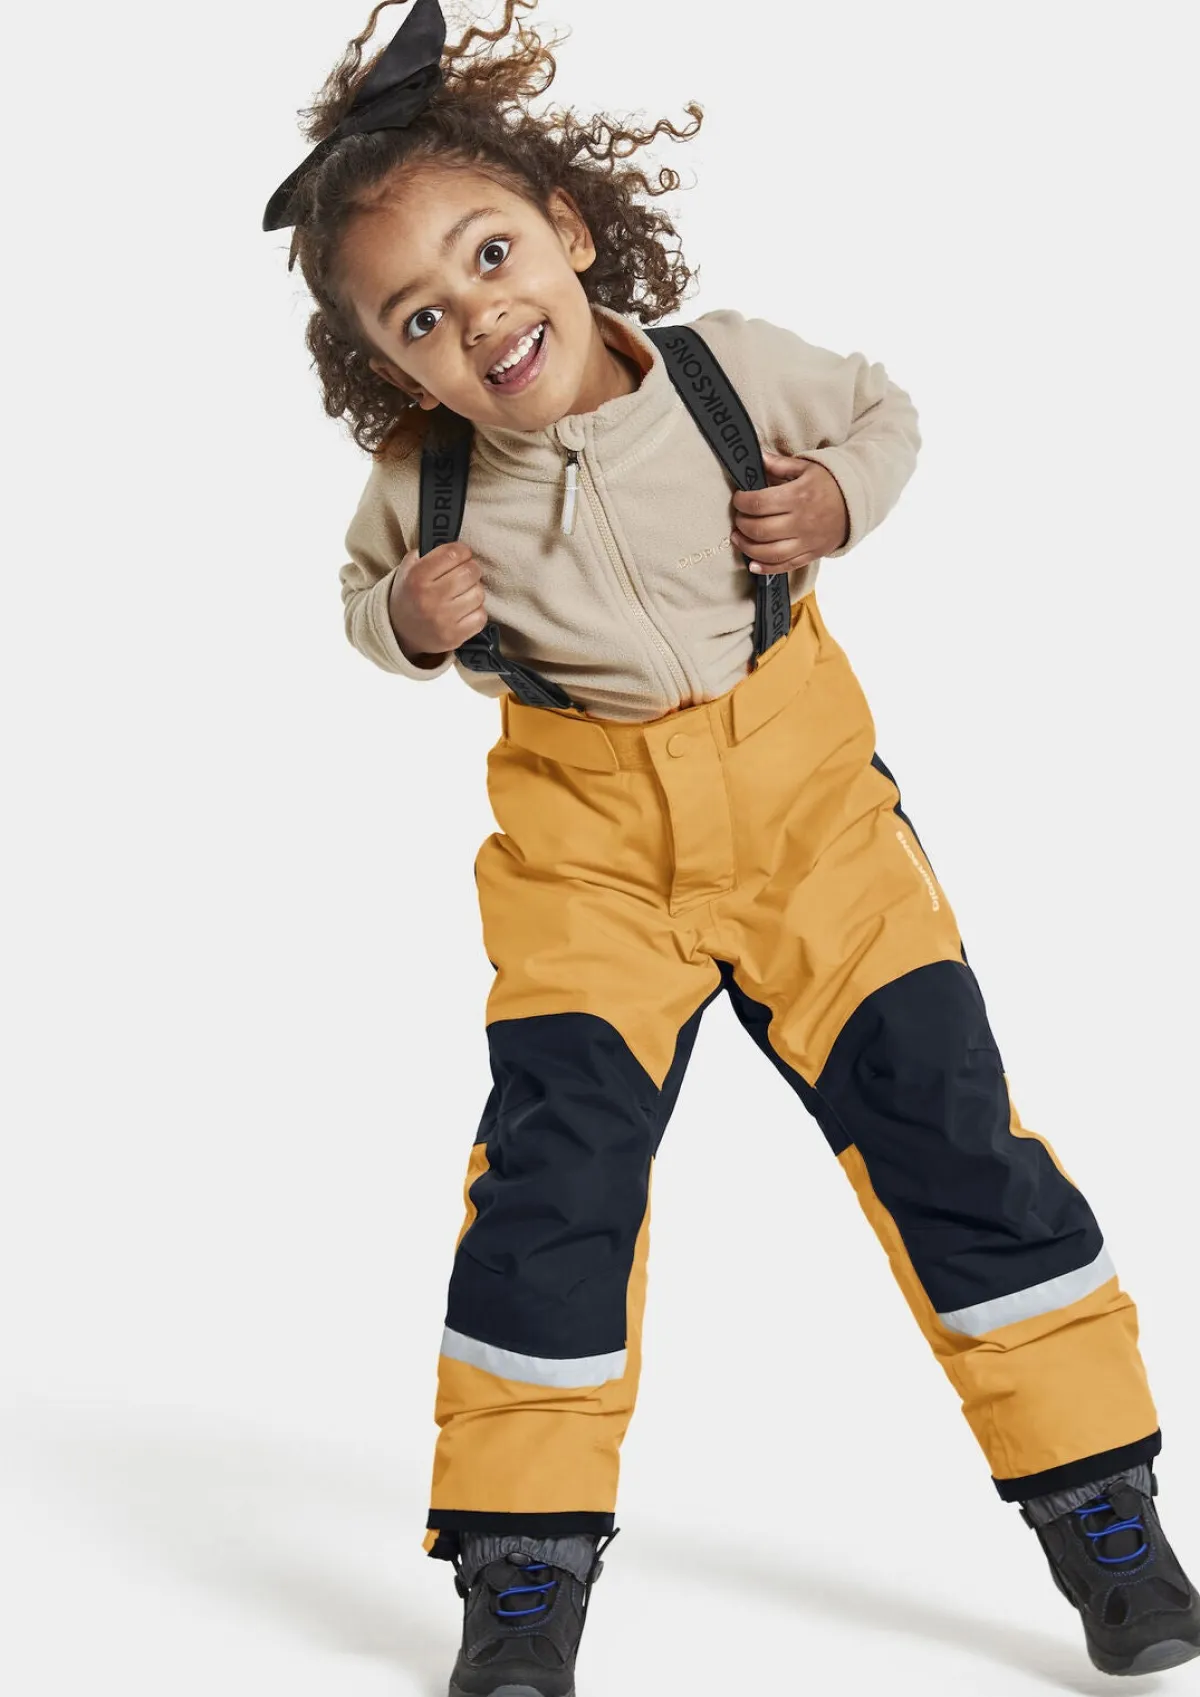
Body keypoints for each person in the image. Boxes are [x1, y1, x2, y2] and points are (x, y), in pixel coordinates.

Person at [261, 1, 1200, 1690]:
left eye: (492, 256)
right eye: (422, 319)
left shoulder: (726, 370)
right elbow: (355, 603)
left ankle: (1100, 1505)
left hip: (811, 821)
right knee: (551, 1188)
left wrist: (834, 501)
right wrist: (406, 618)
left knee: (948, 1131)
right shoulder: (423, 484)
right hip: (586, 866)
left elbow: (885, 413)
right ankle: (522, 1568)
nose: (479, 318)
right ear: (392, 370)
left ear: (568, 228)